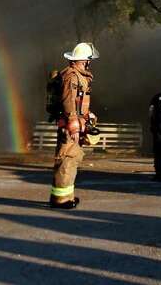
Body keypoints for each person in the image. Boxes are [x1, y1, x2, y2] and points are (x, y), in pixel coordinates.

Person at [50, 42, 98, 209]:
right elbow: (68, 101)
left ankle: (66, 196)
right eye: (89, 60)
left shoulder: (79, 76)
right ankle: (60, 200)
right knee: (67, 160)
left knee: (73, 159)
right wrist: (73, 124)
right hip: (71, 124)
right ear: (84, 60)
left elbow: (78, 102)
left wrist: (88, 114)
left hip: (76, 120)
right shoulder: (72, 76)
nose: (90, 63)